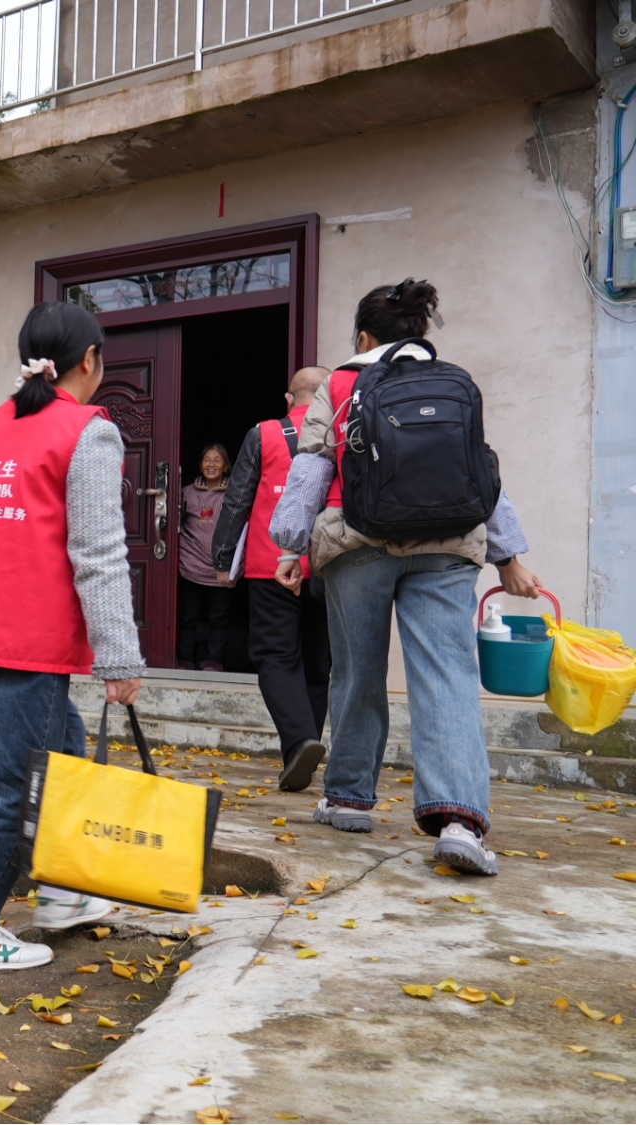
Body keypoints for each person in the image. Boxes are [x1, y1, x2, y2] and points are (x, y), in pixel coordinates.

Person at [270, 280, 540, 875]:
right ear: (418, 332)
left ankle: (347, 799)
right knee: (447, 672)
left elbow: (311, 467)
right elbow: (480, 472)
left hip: (356, 539)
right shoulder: (454, 382)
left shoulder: (340, 383)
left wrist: (292, 544)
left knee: (358, 670)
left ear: (363, 336)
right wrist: (509, 556)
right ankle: (460, 822)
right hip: (448, 544)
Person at [0, 301, 145, 973]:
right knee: (15, 780)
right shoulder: (87, 430)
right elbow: (100, 553)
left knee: (65, 748)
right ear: (90, 361)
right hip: (26, 631)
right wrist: (119, 655)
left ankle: (61, 891)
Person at [213, 367, 334, 792]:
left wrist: (223, 558)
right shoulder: (343, 433)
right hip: (327, 563)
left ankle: (300, 742)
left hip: (271, 564)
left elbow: (238, 499)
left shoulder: (263, 434)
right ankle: (302, 754)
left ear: (289, 399)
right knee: (319, 664)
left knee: (276, 656)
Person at [177, 443, 235, 671]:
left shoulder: (233, 494)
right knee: (188, 617)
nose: (211, 464)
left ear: (226, 466)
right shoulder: (188, 493)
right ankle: (184, 659)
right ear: (200, 465)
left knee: (218, 618)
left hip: (220, 568)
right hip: (191, 565)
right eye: (206, 460)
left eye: (217, 460)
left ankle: (213, 660)